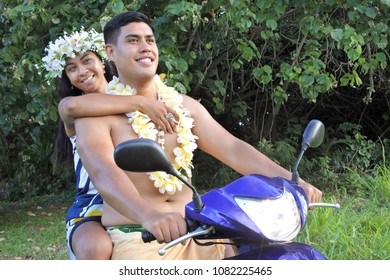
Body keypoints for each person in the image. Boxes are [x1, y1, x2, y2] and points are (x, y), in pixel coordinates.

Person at [74, 11, 323, 260]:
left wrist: (291, 180)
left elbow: (232, 148)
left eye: (150, 40)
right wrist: (147, 215)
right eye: (133, 40)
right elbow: (104, 173)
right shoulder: (94, 116)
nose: (145, 47)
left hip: (204, 233)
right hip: (139, 236)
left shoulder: (185, 106)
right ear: (110, 52)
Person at [40, 27, 179, 259]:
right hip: (93, 207)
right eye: (71, 68)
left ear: (103, 62)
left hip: (138, 200)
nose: (82, 71)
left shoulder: (132, 96)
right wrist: (142, 104)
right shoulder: (78, 108)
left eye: (87, 61)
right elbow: (69, 107)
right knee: (96, 248)